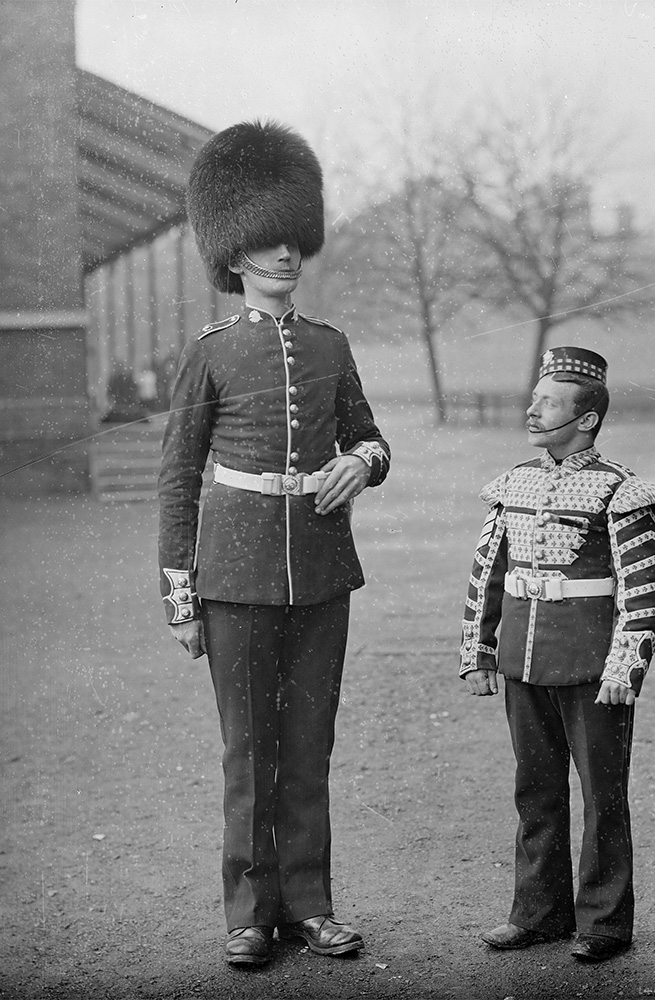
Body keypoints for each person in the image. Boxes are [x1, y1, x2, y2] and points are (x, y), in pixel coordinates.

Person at [158, 120, 390, 968]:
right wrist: (181, 598)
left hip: (322, 574)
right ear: (236, 258)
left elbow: (373, 439)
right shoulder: (211, 354)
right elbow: (179, 479)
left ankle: (312, 907)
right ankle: (249, 913)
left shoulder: (331, 344)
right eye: (267, 245)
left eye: (294, 242)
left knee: (309, 747)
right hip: (235, 576)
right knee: (248, 751)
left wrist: (361, 465)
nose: (287, 256)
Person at [459, 346, 655, 963]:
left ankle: (603, 924)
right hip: (524, 666)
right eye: (534, 398)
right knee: (536, 790)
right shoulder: (512, 485)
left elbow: (646, 587)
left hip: (592, 670)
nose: (532, 410)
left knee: (603, 795)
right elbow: (486, 575)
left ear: (588, 420)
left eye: (547, 403)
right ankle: (539, 914)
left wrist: (625, 666)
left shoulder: (619, 491)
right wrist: (479, 652)